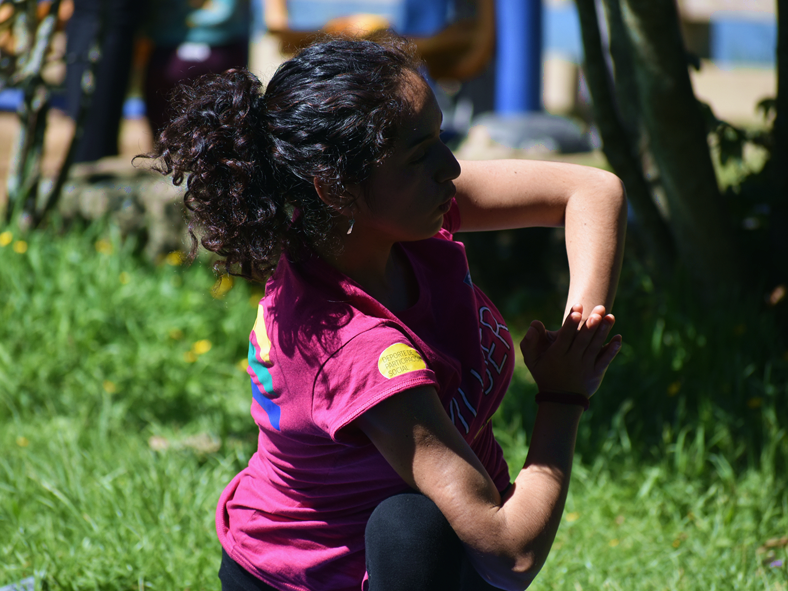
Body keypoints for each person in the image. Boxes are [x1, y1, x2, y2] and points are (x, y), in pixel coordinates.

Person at [144, 35, 626, 591]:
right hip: (308, 579)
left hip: (422, 564)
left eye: (441, 137)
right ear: (337, 190)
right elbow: (509, 553)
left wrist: (582, 329)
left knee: (423, 522)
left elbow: (591, 190)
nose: (451, 167)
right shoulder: (360, 349)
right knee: (417, 525)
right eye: (421, 153)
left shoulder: (387, 216)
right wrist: (565, 395)